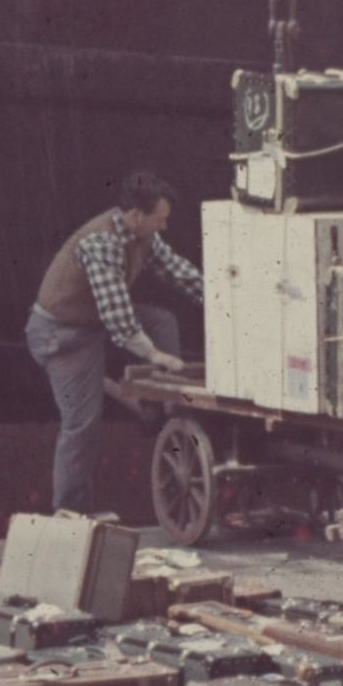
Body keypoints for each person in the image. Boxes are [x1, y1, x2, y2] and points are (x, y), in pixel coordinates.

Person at [25, 171, 201, 515]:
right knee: (81, 425)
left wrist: (227, 300)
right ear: (137, 215)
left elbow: (179, 272)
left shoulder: (141, 235)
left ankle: (158, 404)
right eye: (160, 219)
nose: (164, 226)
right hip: (62, 335)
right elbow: (118, 318)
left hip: (90, 321)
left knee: (161, 320)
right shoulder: (102, 243)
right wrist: (155, 355)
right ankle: (71, 513)